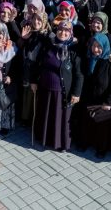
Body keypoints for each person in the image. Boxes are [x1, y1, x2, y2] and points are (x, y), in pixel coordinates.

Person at [31, 20, 83, 151]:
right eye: (60, 30)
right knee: (46, 115)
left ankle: (60, 143)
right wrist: (33, 81)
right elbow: (38, 63)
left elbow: (79, 74)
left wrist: (76, 93)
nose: (63, 33)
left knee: (60, 118)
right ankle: (44, 139)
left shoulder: (74, 50)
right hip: (45, 88)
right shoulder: (48, 45)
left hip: (62, 91)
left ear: (71, 33)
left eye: (66, 31)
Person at [75, 33, 111, 158]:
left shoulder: (110, 63)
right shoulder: (88, 58)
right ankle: (84, 143)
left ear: (105, 47)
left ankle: (102, 148)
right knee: (86, 123)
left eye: (99, 47)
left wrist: (109, 102)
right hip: (89, 98)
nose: (96, 49)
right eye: (94, 46)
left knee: (102, 126)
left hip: (103, 101)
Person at [18, 11, 51, 125]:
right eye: (35, 19)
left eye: (39, 20)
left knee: (34, 96)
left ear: (44, 22)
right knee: (26, 95)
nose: (36, 22)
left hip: (37, 72)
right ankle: (24, 118)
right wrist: (23, 39)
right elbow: (20, 51)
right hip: (26, 69)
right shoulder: (30, 33)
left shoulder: (46, 36)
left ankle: (32, 120)